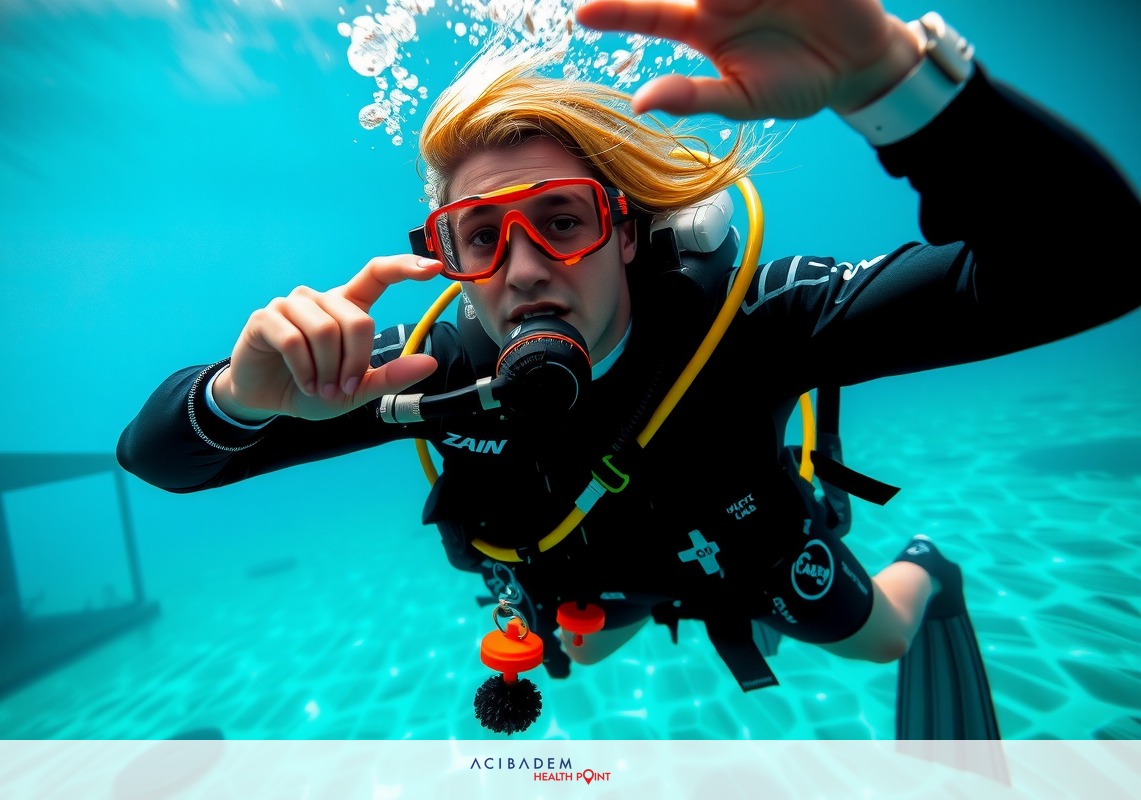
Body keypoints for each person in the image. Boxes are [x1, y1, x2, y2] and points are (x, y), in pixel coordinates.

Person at [118, 0, 1141, 739]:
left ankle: (927, 562)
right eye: (479, 238)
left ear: (631, 234)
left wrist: (897, 83)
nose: (521, 271)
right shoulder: (425, 370)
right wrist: (240, 396)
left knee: (875, 636)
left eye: (561, 220)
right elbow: (161, 457)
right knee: (588, 640)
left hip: (742, 542)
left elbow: (1088, 267)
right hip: (584, 572)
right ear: (449, 260)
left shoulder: (754, 320)